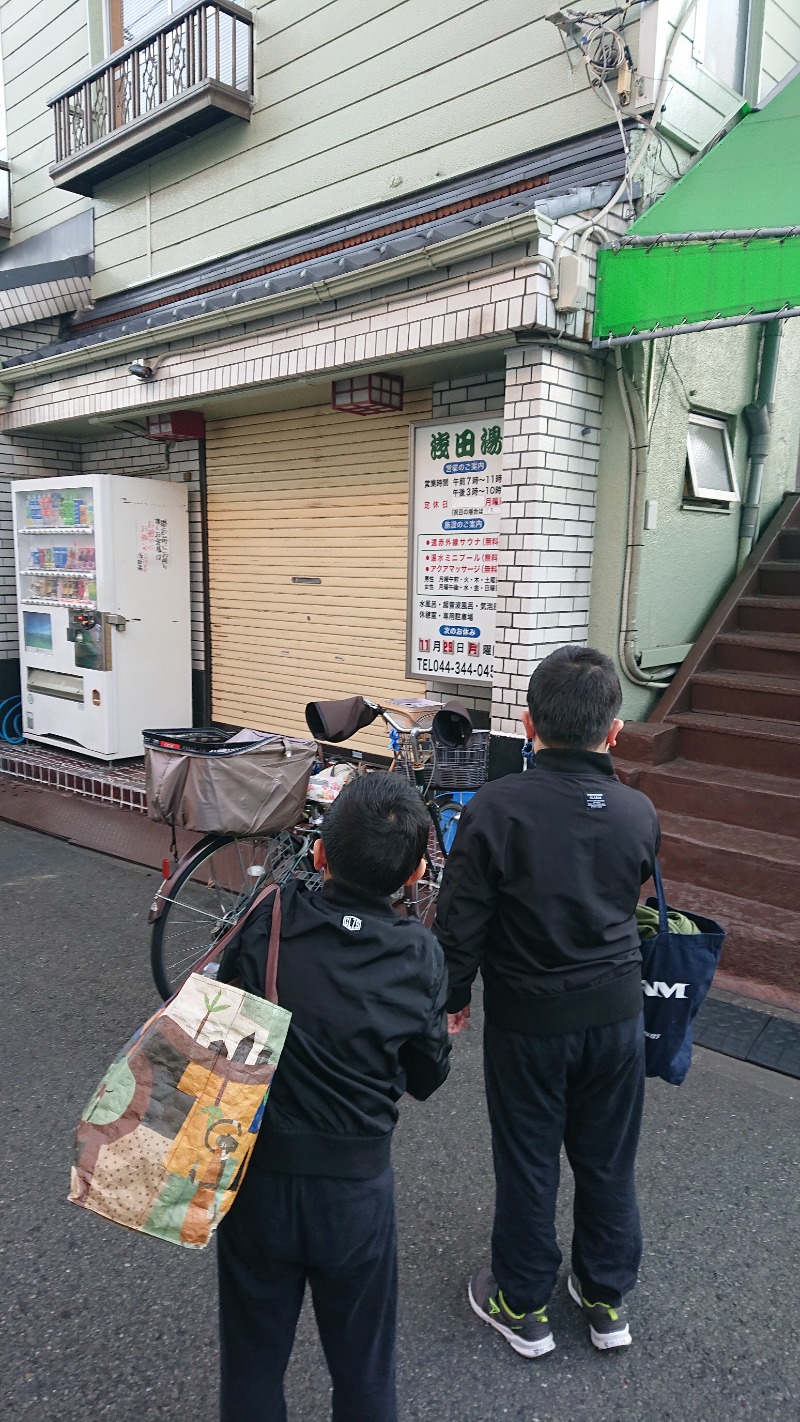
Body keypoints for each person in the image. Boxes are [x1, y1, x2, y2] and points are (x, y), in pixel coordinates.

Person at [434, 645, 660, 1357]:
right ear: (614, 731)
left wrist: (453, 993)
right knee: (607, 1157)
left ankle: (522, 1301)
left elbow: (461, 913)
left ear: (529, 726)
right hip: (619, 1012)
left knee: (530, 1156)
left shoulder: (499, 807)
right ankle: (605, 1297)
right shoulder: (637, 810)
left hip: (529, 1016)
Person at [216, 771, 450, 1422]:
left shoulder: (270, 915)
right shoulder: (420, 956)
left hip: (257, 1178)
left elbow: (225, 1021)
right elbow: (429, 1076)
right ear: (412, 876)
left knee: (252, 1365)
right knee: (364, 1372)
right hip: (355, 1195)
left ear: (319, 852)